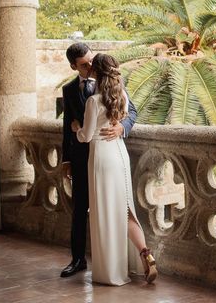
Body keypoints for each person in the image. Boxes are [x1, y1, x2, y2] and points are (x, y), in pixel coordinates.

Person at [72, 53, 157, 285]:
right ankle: (145, 254)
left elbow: (87, 136)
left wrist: (76, 128)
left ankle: (110, 271)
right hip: (120, 155)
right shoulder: (121, 98)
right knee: (126, 209)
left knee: (104, 213)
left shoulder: (93, 101)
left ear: (96, 73)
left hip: (101, 157)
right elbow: (128, 114)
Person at [60, 43, 138, 278]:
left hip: (106, 158)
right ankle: (78, 260)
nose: (91, 65)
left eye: (91, 60)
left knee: (114, 208)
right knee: (79, 209)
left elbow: (132, 112)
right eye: (84, 64)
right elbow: (67, 126)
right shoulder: (69, 90)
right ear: (74, 66)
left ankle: (114, 261)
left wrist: (121, 128)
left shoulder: (112, 85)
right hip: (81, 159)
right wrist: (66, 160)